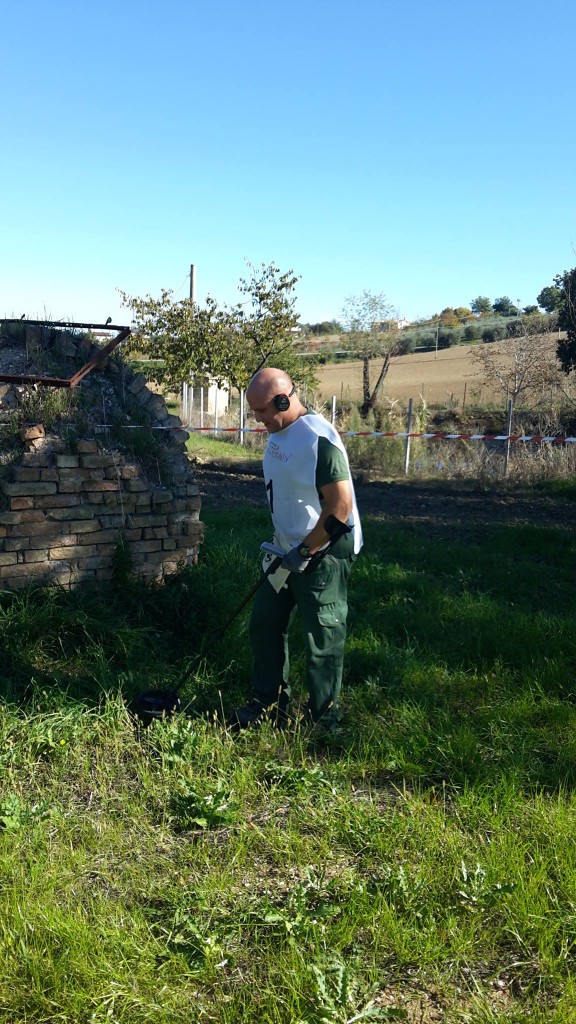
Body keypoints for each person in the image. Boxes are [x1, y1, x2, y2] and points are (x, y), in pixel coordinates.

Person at [230, 367, 363, 731]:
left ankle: (325, 720)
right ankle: (268, 705)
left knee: (322, 637)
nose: (257, 419)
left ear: (284, 399)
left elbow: (339, 507)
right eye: (253, 411)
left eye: (261, 411)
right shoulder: (279, 431)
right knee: (264, 625)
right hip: (285, 549)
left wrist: (305, 553)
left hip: (323, 551)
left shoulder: (317, 439)